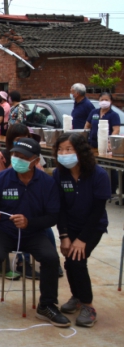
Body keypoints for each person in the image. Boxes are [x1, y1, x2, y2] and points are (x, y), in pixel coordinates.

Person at [0, 138, 68, 327]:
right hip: (3, 230)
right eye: (15, 155)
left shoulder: (46, 183)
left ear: (35, 160)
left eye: (23, 157)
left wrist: (29, 223)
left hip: (33, 233)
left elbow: (53, 216)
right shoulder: (1, 179)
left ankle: (47, 305)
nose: (17, 159)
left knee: (51, 258)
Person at [54, 132, 111, 327]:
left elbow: (97, 211)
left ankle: (88, 305)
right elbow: (59, 208)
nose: (64, 153)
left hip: (92, 226)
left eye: (68, 149)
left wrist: (82, 239)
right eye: (60, 149)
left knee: (77, 260)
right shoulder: (59, 174)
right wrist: (64, 236)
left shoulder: (99, 175)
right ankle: (77, 296)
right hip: (70, 225)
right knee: (69, 262)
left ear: (80, 151)